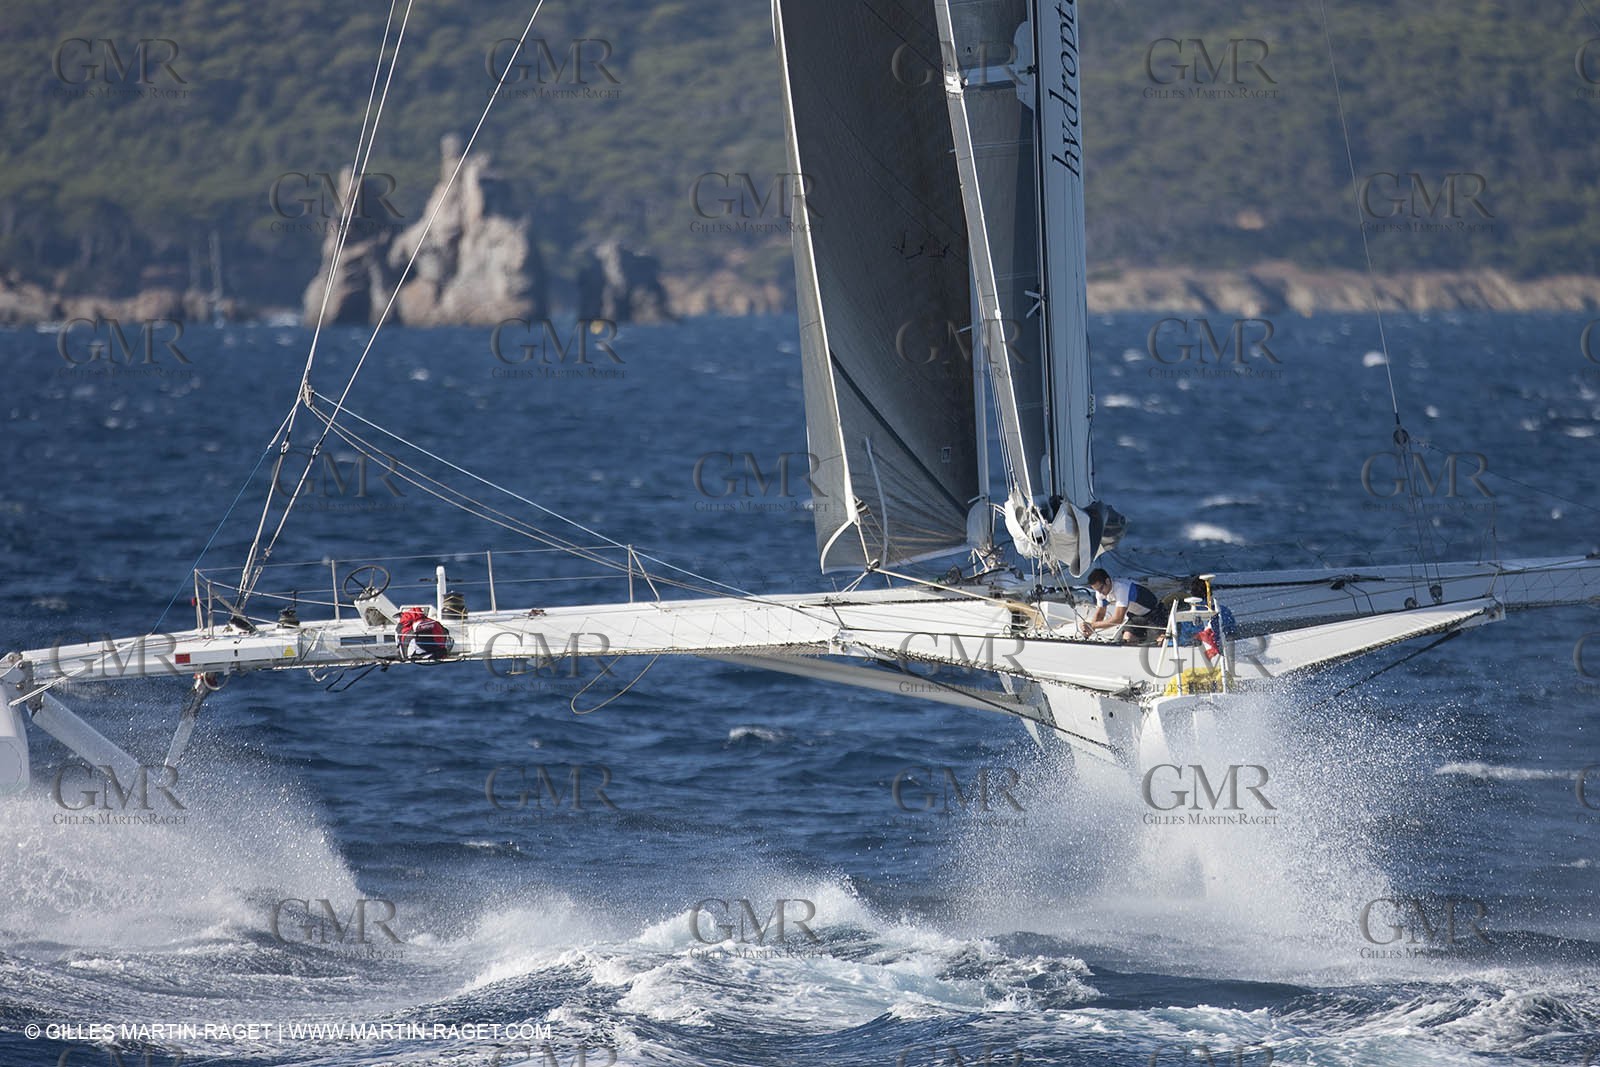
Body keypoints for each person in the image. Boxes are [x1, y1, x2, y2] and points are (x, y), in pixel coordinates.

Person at [1079, 568, 1168, 644]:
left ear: (1107, 581)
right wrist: (1089, 630)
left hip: (1154, 612)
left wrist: (1093, 625)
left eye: (1101, 588)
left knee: (1161, 642)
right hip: (1136, 616)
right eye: (1096, 590)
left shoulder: (1121, 588)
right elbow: (1100, 614)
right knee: (1127, 639)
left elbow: (1118, 619)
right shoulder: (1100, 592)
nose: (1100, 592)